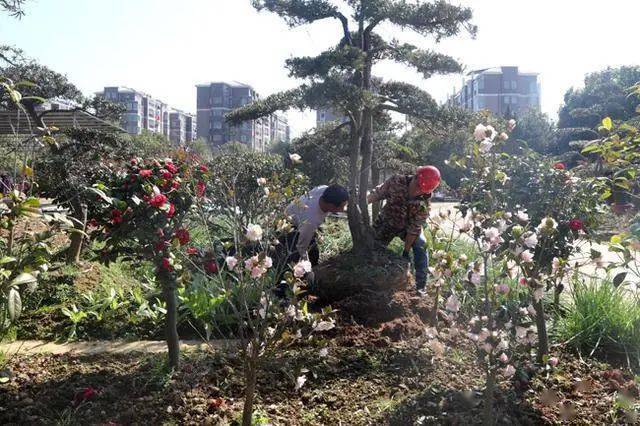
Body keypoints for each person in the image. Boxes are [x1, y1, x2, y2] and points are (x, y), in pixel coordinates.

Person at [367, 166, 441, 294]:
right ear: (414, 177)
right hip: (387, 221)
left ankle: (420, 287)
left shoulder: (425, 203)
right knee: (372, 247)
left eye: (422, 191)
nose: (418, 192)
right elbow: (376, 194)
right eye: (417, 187)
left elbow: (414, 228)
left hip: (406, 228)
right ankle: (370, 277)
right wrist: (359, 204)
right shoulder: (396, 181)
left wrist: (405, 252)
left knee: (421, 244)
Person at [283, 184, 349, 268]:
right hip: (289, 225)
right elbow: (301, 247)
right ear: (331, 206)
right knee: (294, 256)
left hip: (299, 214)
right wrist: (307, 265)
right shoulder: (311, 220)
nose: (343, 209)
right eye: (342, 206)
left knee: (314, 253)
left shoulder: (324, 189)